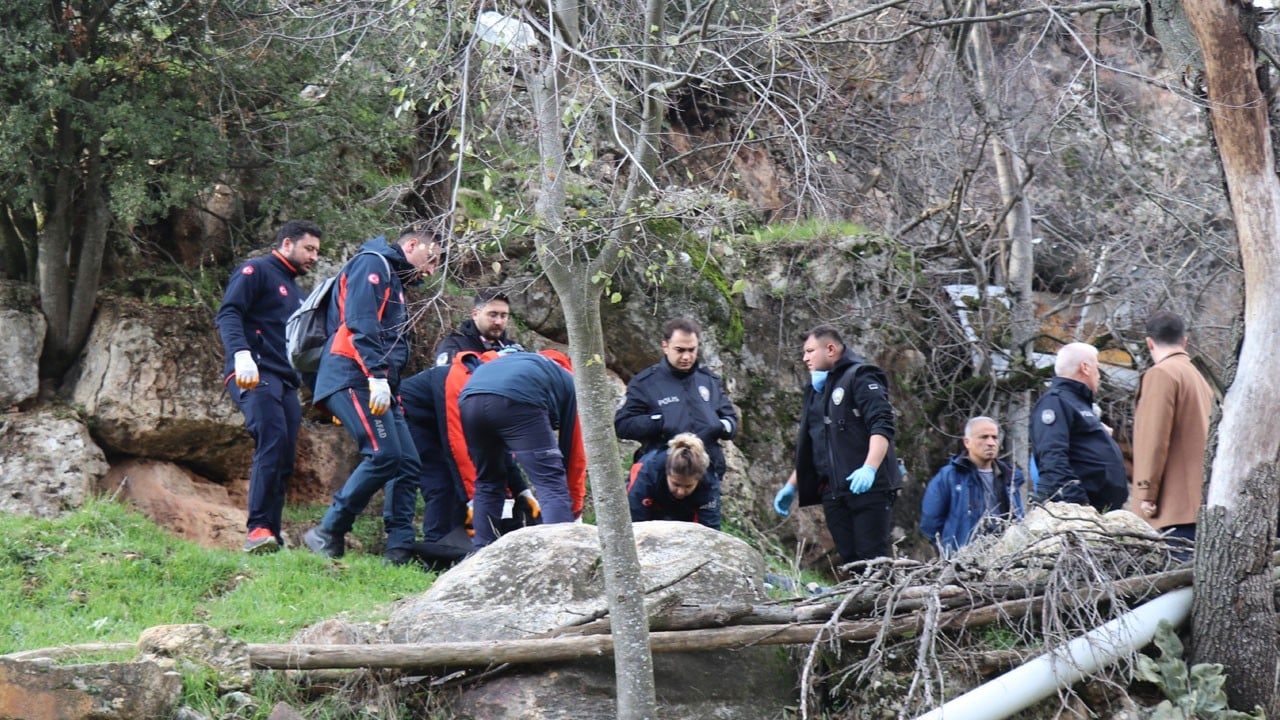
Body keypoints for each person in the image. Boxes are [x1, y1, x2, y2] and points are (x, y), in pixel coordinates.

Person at [302, 223, 443, 565]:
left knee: (406, 462)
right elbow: (361, 321)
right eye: (432, 259)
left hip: (375, 382)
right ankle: (328, 529)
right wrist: (377, 377)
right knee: (383, 455)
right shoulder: (373, 263)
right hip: (353, 376)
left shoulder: (391, 276)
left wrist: (384, 382)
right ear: (412, 245)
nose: (432, 270)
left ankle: (398, 550)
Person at [215, 220, 322, 554]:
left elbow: (300, 349)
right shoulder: (256, 270)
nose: (314, 257)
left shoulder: (298, 294)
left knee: (286, 455)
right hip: (254, 372)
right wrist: (242, 354)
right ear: (287, 243)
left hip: (286, 380)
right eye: (309, 248)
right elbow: (229, 313)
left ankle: (269, 535)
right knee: (272, 441)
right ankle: (258, 529)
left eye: (317, 251)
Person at [771, 324, 902, 565]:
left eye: (810, 351)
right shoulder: (816, 389)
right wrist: (791, 487)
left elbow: (881, 425)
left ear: (830, 349)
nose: (805, 358)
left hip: (868, 487)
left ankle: (884, 602)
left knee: (873, 560)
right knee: (851, 560)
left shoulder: (861, 376)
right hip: (832, 490)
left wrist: (870, 468)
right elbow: (814, 443)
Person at [399, 351, 540, 556]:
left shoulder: (495, 394)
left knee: (462, 483)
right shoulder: (460, 381)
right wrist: (474, 501)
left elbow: (498, 450)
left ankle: (453, 546)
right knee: (441, 483)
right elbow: (457, 446)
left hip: (434, 424)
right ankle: (437, 548)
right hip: (407, 416)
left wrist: (522, 491)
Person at [459, 349, 587, 549]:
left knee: (488, 481)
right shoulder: (569, 381)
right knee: (551, 482)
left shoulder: (519, 363)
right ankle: (560, 553)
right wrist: (575, 511)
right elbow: (575, 453)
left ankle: (480, 553)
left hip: (469, 397)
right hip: (518, 398)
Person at [614, 317, 739, 484]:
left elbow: (731, 421)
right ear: (665, 346)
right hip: (661, 475)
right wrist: (660, 422)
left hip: (706, 475)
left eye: (692, 350)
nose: (687, 356)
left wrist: (717, 425)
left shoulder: (708, 380)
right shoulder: (645, 383)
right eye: (680, 350)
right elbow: (622, 425)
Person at [1131, 312, 1215, 544]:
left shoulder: (1161, 374)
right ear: (1184, 341)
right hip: (1202, 501)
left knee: (1177, 578)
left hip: (1172, 508)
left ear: (1149, 342)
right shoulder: (1199, 376)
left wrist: (1146, 493)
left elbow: (1153, 438)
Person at [1029, 342, 1129, 512]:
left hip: (1100, 509)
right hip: (1075, 510)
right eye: (1097, 367)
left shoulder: (1078, 404)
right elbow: (1053, 456)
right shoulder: (1055, 401)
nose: (1099, 375)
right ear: (1085, 367)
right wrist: (1076, 500)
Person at [919, 416, 1025, 557]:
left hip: (1004, 557)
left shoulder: (1009, 476)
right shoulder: (950, 477)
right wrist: (948, 548)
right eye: (984, 437)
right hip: (962, 560)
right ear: (967, 442)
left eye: (994, 437)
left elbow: (1018, 517)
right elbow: (930, 523)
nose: (991, 443)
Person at [627, 433, 721, 530]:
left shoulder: (709, 482)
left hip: (687, 513)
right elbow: (634, 519)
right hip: (653, 509)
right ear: (667, 473)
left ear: (699, 479)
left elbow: (710, 526)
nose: (680, 492)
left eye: (688, 486)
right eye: (676, 484)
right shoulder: (647, 472)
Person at [434, 288, 517, 366]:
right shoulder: (454, 345)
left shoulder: (513, 349)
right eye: (492, 315)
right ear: (475, 314)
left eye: (503, 316)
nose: (498, 321)